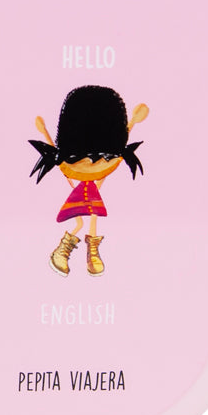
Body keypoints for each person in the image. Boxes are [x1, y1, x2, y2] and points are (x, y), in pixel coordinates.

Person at [29, 85, 148, 277]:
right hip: (79, 180)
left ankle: (90, 251)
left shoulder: (107, 160)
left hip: (90, 174)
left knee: (91, 217)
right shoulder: (71, 164)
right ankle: (66, 250)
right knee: (80, 221)